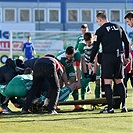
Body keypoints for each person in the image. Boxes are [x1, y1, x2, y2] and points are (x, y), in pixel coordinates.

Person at [88, 12, 130, 113]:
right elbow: (127, 43)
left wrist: (91, 60)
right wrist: (127, 57)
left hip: (108, 57)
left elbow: (95, 47)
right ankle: (124, 106)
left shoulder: (100, 30)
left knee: (107, 82)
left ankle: (110, 107)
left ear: (101, 19)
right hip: (119, 57)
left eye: (98, 21)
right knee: (119, 81)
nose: (98, 23)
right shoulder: (118, 27)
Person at [56, 46, 84, 111]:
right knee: (59, 84)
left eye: (70, 57)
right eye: (67, 57)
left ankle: (76, 104)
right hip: (60, 69)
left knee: (74, 82)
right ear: (65, 53)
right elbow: (63, 72)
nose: (69, 58)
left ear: (73, 54)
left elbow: (78, 68)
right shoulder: (60, 58)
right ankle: (55, 104)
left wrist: (79, 80)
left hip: (70, 67)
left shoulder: (77, 55)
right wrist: (66, 83)